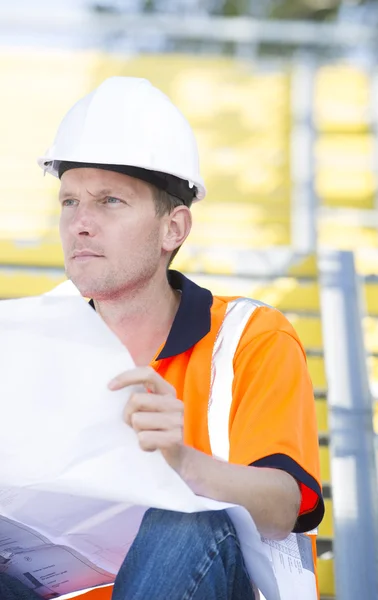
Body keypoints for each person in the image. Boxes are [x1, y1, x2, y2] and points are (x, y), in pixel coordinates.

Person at [1, 77, 324, 600]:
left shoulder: (252, 337)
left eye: (109, 201)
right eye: (69, 202)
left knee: (183, 522)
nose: (80, 223)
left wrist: (181, 463)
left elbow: (284, 505)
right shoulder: (29, 345)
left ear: (174, 228)